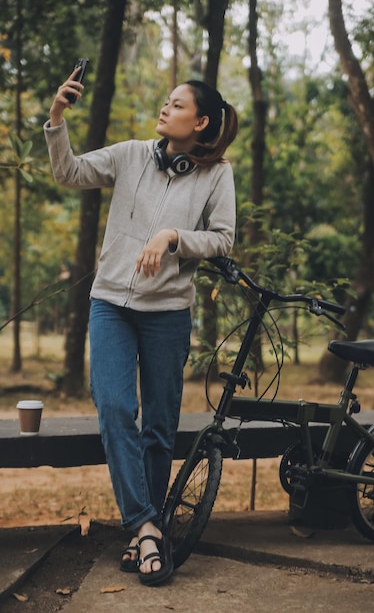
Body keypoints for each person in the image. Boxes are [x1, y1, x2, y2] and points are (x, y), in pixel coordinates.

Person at [44, 68, 238, 586]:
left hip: (169, 314)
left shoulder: (217, 174)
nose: (164, 108)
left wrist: (174, 235)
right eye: (166, 101)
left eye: (176, 105)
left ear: (200, 122)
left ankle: (142, 534)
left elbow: (222, 239)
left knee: (158, 426)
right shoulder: (131, 154)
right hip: (110, 304)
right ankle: (147, 526)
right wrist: (57, 118)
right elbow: (70, 174)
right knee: (113, 407)